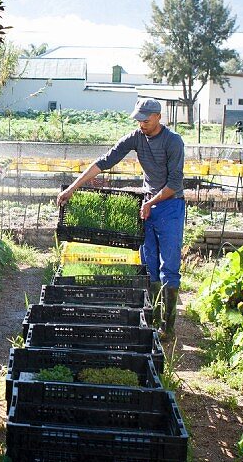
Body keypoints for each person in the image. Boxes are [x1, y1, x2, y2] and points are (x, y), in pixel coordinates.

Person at [56, 97, 185, 332]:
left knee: (170, 266)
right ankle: (153, 318)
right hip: (148, 204)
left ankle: (168, 326)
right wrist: (72, 188)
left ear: (158, 117)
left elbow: (174, 184)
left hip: (170, 206)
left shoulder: (173, 141)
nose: (141, 124)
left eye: (145, 120)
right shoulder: (136, 138)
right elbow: (104, 161)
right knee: (149, 264)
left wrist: (152, 202)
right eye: (138, 120)